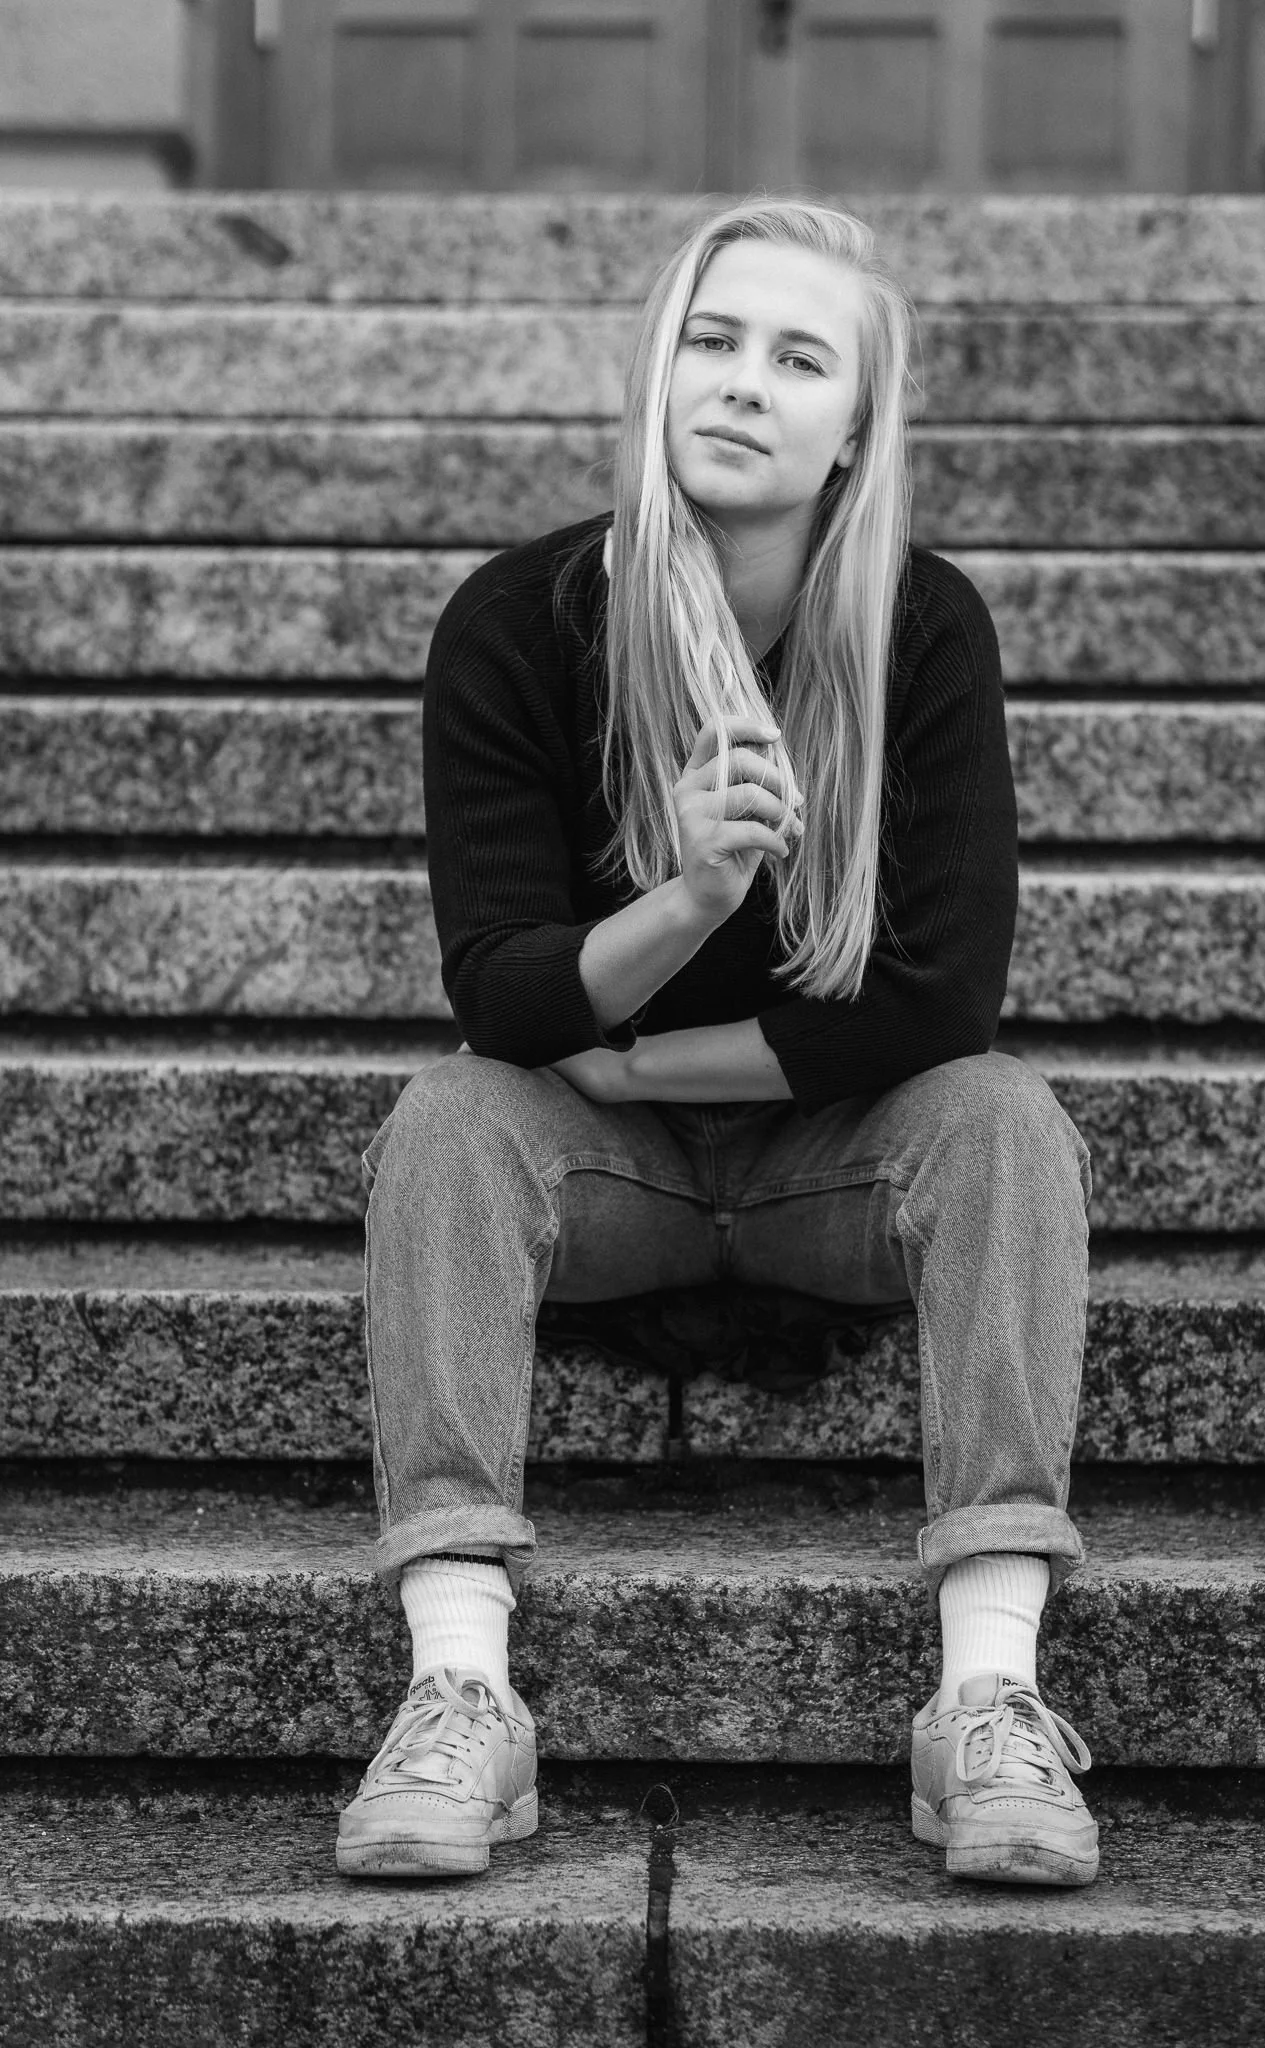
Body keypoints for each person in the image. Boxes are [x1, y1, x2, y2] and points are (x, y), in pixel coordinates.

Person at [335, 198, 1098, 1889]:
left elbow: (933, 1004)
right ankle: (459, 1686)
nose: (743, 384)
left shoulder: (919, 631)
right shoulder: (523, 622)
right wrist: (688, 895)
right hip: (601, 1182)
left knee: (1005, 1121)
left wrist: (641, 1060)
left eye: (799, 357)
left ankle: (990, 1703)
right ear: (659, 364)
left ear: (854, 434)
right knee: (452, 1121)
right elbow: (507, 995)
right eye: (713, 336)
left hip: (834, 1171)